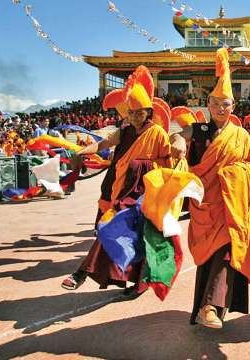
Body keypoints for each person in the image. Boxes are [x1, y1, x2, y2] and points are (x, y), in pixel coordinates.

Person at [170, 48, 250, 329]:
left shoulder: (242, 135)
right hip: (206, 205)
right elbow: (178, 133)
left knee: (227, 249)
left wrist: (235, 174)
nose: (220, 109)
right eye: (215, 103)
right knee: (212, 255)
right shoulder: (200, 130)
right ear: (208, 104)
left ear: (233, 107)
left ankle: (210, 306)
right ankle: (207, 306)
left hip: (232, 204)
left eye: (225, 104)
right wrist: (177, 140)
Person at [61, 66, 174, 295]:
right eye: (130, 113)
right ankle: (135, 283)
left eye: (139, 112)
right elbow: (102, 144)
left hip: (145, 192)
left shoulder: (158, 133)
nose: (134, 117)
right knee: (126, 234)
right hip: (124, 189)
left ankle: (82, 273)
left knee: (120, 229)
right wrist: (82, 153)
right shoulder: (124, 130)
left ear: (148, 111)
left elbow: (168, 164)